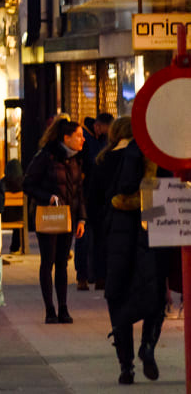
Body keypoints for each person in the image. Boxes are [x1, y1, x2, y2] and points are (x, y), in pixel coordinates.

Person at [92, 116, 170, 383]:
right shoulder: (149, 157)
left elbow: (91, 202)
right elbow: (161, 195)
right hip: (148, 231)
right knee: (155, 292)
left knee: (117, 296)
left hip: (114, 235)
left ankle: (126, 367)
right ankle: (147, 347)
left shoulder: (102, 161)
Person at [23, 115, 85, 324]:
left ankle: (64, 308)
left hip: (69, 218)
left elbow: (79, 192)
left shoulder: (76, 158)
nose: (82, 140)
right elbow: (28, 184)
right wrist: (47, 197)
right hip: (49, 217)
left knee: (62, 264)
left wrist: (82, 219)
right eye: (78, 136)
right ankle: (50, 309)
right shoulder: (45, 157)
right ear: (66, 138)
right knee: (48, 262)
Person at [78, 110, 113, 292]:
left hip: (99, 196)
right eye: (106, 130)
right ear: (97, 126)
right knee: (83, 237)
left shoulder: (103, 140)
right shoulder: (84, 138)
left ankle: (100, 276)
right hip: (85, 195)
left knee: (99, 238)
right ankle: (82, 276)